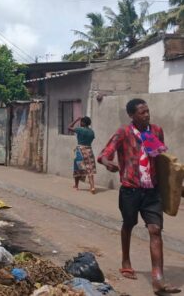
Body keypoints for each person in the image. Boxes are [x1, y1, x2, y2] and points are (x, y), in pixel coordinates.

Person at [98, 98, 180, 295]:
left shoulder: (156, 131)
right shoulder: (123, 133)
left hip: (152, 190)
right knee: (128, 224)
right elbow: (103, 154)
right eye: (142, 112)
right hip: (130, 190)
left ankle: (158, 280)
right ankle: (126, 260)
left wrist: (174, 185)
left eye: (147, 111)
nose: (146, 115)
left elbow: (160, 159)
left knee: (155, 230)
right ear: (132, 115)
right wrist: (108, 163)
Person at [68, 116, 96, 194]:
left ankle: (76, 186)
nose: (80, 123)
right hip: (89, 151)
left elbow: (69, 127)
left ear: (83, 123)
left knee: (78, 169)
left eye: (81, 122)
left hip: (80, 151)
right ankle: (92, 186)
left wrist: (76, 119)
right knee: (90, 169)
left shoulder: (80, 129)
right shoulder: (92, 132)